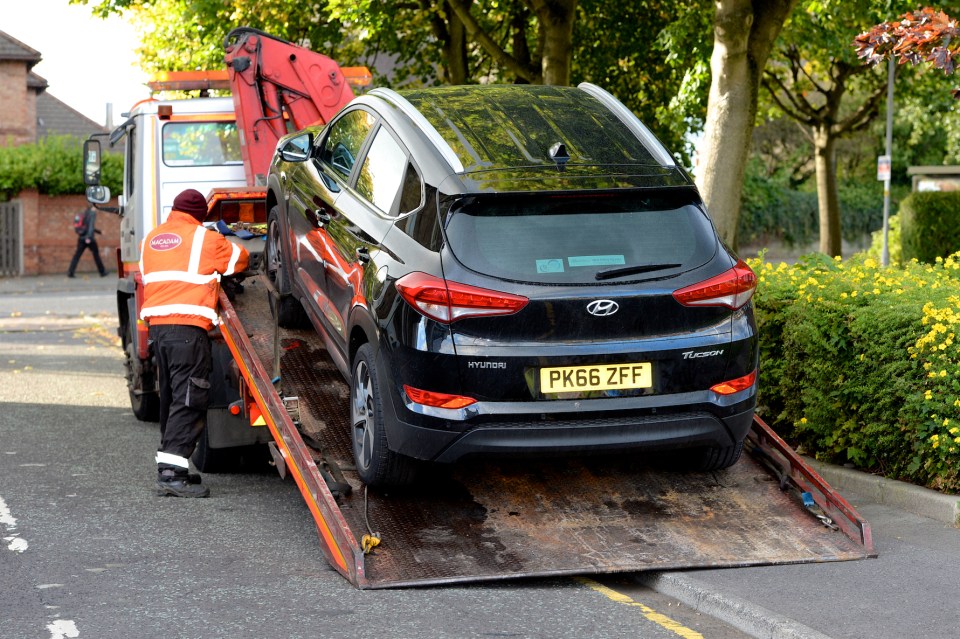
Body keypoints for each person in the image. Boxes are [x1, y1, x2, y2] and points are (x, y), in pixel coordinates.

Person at [140, 188, 249, 497]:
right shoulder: (206, 239)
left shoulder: (150, 240)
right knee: (190, 400)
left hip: (159, 331)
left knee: (173, 398)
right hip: (188, 330)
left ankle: (174, 467)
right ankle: (171, 476)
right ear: (200, 216)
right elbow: (239, 262)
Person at [67, 206, 107, 277]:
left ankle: (70, 272)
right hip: (89, 239)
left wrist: (99, 232)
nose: (96, 209)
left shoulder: (84, 214)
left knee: (77, 255)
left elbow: (87, 227)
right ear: (92, 207)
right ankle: (102, 272)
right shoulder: (92, 213)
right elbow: (91, 227)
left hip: (81, 238)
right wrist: (89, 237)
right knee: (96, 255)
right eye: (95, 207)